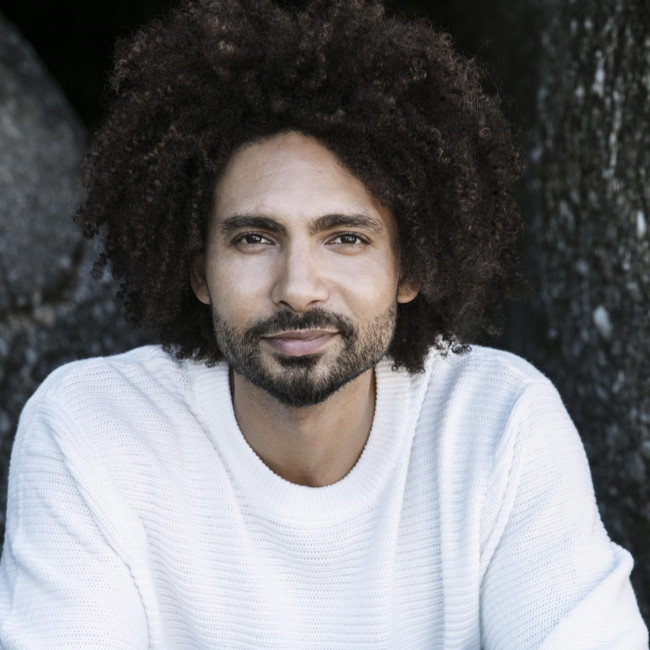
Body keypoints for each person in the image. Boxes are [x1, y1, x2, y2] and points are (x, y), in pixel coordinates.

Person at [0, 0, 647, 647]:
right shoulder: (91, 431)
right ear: (200, 273)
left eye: (345, 238)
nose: (298, 287)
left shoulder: (499, 425)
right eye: (254, 238)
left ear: (409, 269)